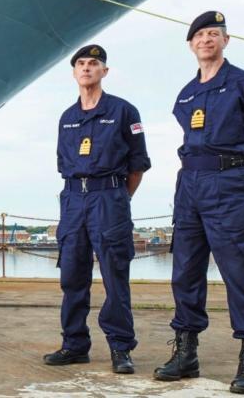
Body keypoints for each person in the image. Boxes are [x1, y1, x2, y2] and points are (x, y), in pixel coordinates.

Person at [154, 11, 244, 395]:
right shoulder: (186, 93)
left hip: (232, 182)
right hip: (190, 185)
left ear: (226, 41)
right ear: (191, 44)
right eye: (200, 35)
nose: (207, 40)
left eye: (214, 34)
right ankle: (186, 353)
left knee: (241, 274)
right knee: (185, 272)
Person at [43, 44, 150, 375]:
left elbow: (137, 165)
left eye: (94, 63)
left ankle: (121, 347)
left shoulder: (124, 111)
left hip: (109, 198)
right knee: (72, 276)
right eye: (81, 63)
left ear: (105, 71)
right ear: (74, 73)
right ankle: (74, 344)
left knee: (115, 276)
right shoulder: (67, 118)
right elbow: (63, 163)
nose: (87, 68)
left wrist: (118, 198)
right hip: (74, 199)